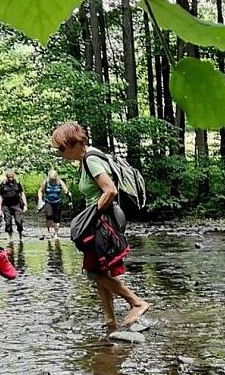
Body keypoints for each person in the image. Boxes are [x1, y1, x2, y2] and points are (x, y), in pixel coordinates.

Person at [51, 121, 150, 328]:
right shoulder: (87, 158)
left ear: (73, 143)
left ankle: (136, 303)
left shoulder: (91, 160)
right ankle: (110, 319)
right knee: (100, 272)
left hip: (102, 222)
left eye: (61, 148)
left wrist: (91, 215)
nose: (60, 153)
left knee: (93, 271)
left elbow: (110, 190)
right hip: (102, 220)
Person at [37, 169, 72, 240]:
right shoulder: (45, 182)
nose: (53, 180)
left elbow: (66, 190)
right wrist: (40, 199)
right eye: (51, 179)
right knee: (48, 215)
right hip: (48, 201)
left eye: (54, 179)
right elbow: (40, 191)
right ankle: (50, 232)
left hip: (57, 202)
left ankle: (56, 234)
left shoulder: (60, 182)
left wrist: (69, 196)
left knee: (57, 219)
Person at [0, 169, 27, 242]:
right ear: (6, 177)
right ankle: (10, 238)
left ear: (14, 176)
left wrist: (25, 205)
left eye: (12, 177)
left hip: (17, 205)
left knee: (18, 221)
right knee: (8, 222)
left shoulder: (17, 183)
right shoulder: (3, 184)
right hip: (6, 206)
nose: (10, 179)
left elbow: (22, 194)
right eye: (9, 177)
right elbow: (0, 196)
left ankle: (20, 236)